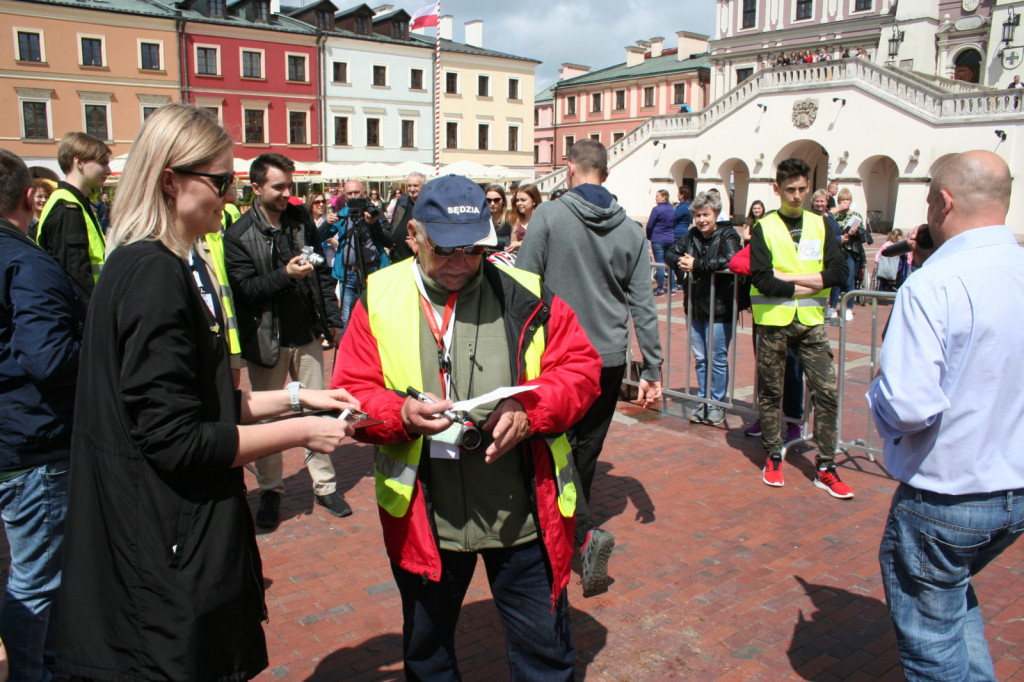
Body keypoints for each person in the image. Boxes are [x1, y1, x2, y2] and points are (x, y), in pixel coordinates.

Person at [55, 104, 360, 681]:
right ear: (171, 179)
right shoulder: (152, 274)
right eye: (220, 182)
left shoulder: (157, 264)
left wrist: (301, 399)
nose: (229, 197)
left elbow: (210, 403)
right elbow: (177, 439)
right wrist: (305, 433)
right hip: (163, 547)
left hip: (171, 538)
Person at [332, 174, 601, 681]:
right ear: (413, 236)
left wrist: (530, 410)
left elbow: (580, 371)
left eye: (474, 250)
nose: (460, 264)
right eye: (445, 251)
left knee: (546, 656)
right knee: (428, 660)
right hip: (427, 521)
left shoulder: (527, 292)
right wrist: (400, 416)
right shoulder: (380, 296)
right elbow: (352, 393)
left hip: (521, 518)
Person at [867, 150, 1024, 681]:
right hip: (1014, 485)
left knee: (932, 646)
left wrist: (878, 396)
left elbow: (910, 406)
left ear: (944, 201)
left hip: (948, 491)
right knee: (952, 605)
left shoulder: (934, 282)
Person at [518, 138, 663, 595]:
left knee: (550, 448)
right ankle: (575, 532)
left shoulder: (550, 215)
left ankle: (576, 538)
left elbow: (523, 287)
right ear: (605, 172)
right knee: (585, 452)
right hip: (608, 357)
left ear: (569, 168)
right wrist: (654, 369)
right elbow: (645, 304)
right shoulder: (632, 230)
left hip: (559, 355)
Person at [224, 152, 349, 528]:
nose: (286, 193)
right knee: (267, 420)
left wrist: (330, 318)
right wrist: (285, 275)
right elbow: (246, 289)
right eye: (278, 187)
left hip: (307, 333)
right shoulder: (238, 234)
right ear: (256, 187)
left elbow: (322, 273)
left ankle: (324, 486)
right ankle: (271, 491)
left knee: (318, 408)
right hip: (266, 341)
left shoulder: (298, 220)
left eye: (289, 186)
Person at [0, 149, 84, 682]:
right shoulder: (28, 263)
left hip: (18, 436)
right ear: (30, 196)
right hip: (33, 441)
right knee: (35, 581)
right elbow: (49, 358)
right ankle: (36, 673)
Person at [749, 158, 851, 498]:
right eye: (790, 189)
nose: (796, 196)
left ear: (809, 188)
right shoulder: (764, 226)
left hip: (810, 322)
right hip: (773, 321)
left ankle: (825, 466)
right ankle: (774, 454)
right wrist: (812, 283)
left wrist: (790, 278)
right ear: (777, 189)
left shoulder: (822, 225)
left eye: (802, 189)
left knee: (827, 392)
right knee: (772, 392)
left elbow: (840, 274)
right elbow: (763, 280)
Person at [666, 191, 741, 426]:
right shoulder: (691, 236)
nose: (702, 220)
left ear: (716, 214)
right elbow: (670, 253)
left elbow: (731, 260)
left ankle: (716, 403)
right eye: (698, 215)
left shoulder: (728, 234)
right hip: (696, 305)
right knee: (700, 358)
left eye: (706, 214)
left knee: (716, 358)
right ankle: (703, 399)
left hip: (720, 307)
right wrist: (682, 265)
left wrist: (697, 264)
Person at [36, 131, 111, 308]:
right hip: (83, 314)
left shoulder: (75, 202)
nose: (107, 170)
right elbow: (75, 275)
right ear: (79, 163)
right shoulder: (67, 207)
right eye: (102, 163)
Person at [321, 179, 392, 331]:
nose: (353, 196)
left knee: (375, 313)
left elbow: (389, 240)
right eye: (350, 193)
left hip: (373, 272)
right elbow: (319, 237)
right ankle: (347, 348)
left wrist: (374, 223)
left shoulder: (373, 212)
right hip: (349, 273)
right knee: (347, 316)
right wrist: (326, 223)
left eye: (357, 192)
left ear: (364, 193)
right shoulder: (342, 214)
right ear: (345, 196)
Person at [834, 188, 870, 320]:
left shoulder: (856, 215)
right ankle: (833, 307)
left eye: (847, 200)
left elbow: (864, 234)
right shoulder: (835, 215)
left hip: (850, 251)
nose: (845, 202)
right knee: (836, 280)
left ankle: (848, 308)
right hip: (837, 250)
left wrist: (856, 232)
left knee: (849, 281)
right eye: (843, 200)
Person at [810, 189, 844, 318]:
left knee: (835, 280)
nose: (819, 204)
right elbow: (818, 237)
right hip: (821, 253)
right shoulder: (812, 216)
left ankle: (833, 307)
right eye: (817, 201)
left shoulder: (830, 216)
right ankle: (821, 306)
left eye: (822, 201)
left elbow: (835, 232)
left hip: (835, 252)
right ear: (813, 202)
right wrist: (839, 239)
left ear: (827, 202)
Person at [647, 189, 677, 296]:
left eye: (657, 196)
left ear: (664, 197)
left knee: (659, 263)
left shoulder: (656, 210)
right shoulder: (673, 210)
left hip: (658, 239)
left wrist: (649, 236)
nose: (656, 198)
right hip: (670, 238)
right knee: (670, 263)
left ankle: (660, 288)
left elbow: (650, 225)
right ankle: (672, 287)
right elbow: (674, 224)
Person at [389, 172, 425, 263]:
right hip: (397, 255)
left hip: (416, 257)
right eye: (409, 186)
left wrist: (417, 242)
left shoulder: (428, 205)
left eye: (415, 185)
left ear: (423, 186)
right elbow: (393, 223)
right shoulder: (401, 201)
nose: (412, 189)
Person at [507, 183, 541, 253]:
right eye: (517, 200)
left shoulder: (542, 219)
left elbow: (542, 242)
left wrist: (520, 244)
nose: (519, 203)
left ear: (534, 201)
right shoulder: (516, 219)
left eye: (523, 200)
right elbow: (513, 242)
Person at [484, 183, 512, 250]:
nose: (492, 203)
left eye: (496, 200)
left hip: (504, 257)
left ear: (503, 201)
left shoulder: (511, 218)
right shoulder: (482, 220)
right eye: (489, 200)